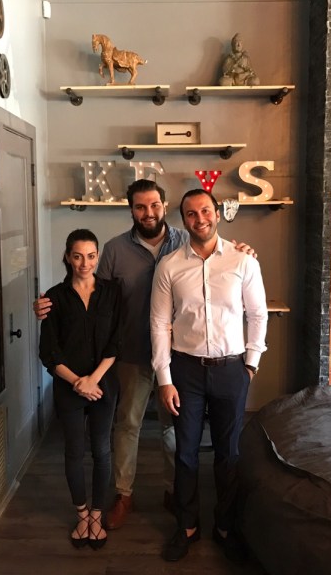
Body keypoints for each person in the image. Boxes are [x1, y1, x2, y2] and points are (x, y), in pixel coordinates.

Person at [34, 179, 256, 531]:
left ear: (165, 207)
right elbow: (94, 294)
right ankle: (124, 494)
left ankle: (174, 490)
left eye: (154, 205)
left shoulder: (185, 240)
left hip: (179, 357)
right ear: (131, 211)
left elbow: (218, 253)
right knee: (128, 424)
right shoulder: (114, 250)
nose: (148, 212)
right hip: (131, 353)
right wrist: (50, 305)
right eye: (140, 207)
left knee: (174, 427)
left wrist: (243, 251)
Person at [151, 189, 268, 563]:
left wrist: (251, 364)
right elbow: (159, 323)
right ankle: (187, 527)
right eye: (191, 213)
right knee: (184, 452)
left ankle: (225, 527)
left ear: (217, 214)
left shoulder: (243, 261)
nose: (199, 218)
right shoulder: (169, 266)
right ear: (183, 220)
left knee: (228, 453)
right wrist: (164, 379)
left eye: (205, 211)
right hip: (185, 371)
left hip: (232, 369)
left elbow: (257, 314)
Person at [39, 229, 121, 549]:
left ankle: (97, 514)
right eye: (77, 256)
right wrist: (77, 382)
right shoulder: (54, 297)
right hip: (68, 387)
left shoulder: (112, 293)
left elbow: (116, 342)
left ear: (98, 257)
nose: (84, 263)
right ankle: (82, 514)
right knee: (73, 451)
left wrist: (93, 380)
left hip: (104, 385)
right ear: (67, 257)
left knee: (101, 450)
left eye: (90, 256)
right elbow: (49, 352)